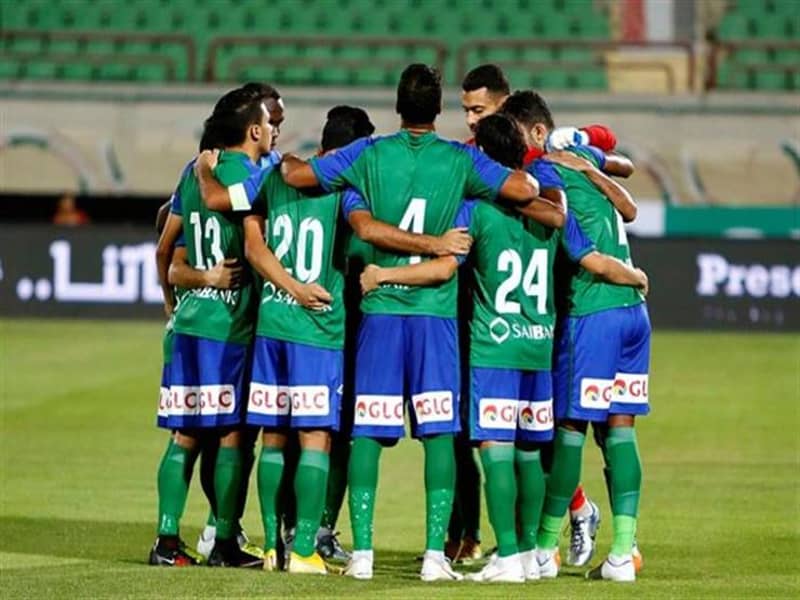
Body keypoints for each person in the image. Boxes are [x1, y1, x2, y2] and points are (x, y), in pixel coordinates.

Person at [276, 63, 555, 582]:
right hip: (434, 319)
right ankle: (433, 557)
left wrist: (289, 158)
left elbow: (296, 177)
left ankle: (362, 555)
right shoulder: (461, 160)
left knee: (366, 434)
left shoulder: (367, 154)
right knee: (439, 436)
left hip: (381, 315)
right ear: (440, 109)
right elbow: (524, 187)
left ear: (398, 106)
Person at [359, 113, 648, 582]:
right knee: (531, 452)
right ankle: (537, 552)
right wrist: (633, 275)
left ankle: (509, 556)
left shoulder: (476, 210)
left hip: (494, 346)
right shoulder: (551, 207)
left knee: (497, 451)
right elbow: (592, 254)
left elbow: (444, 268)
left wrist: (383, 274)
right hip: (538, 345)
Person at [503, 91, 651, 582]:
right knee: (621, 429)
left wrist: (629, 274)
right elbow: (629, 202)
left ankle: (545, 549)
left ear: (535, 131)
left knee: (569, 431)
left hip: (593, 314)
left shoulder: (541, 172)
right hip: (635, 317)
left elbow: (585, 256)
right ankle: (623, 553)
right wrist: (589, 158)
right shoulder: (582, 158)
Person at [151, 83, 288, 570]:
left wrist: (172, 303)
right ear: (253, 131)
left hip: (190, 322)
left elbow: (167, 243)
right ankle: (225, 539)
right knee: (233, 436)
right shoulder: (255, 177)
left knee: (184, 434)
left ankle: (167, 539)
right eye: (270, 125)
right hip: (230, 326)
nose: (274, 133)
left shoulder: (194, 169)